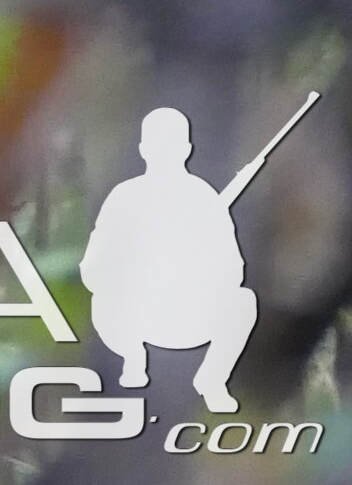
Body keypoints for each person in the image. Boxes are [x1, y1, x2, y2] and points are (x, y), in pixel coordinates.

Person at [86, 106, 260, 411]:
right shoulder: (123, 197)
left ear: (187, 149)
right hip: (133, 319)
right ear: (143, 149)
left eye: (172, 144)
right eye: (156, 144)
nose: (163, 152)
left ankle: (212, 380)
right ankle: (133, 360)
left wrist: (194, 267)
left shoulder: (205, 198)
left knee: (244, 302)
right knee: (104, 300)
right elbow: (92, 269)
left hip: (189, 315)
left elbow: (235, 270)